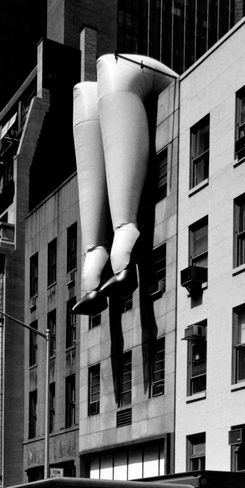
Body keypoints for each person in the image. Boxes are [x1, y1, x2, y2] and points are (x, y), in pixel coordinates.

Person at [72, 53, 178, 315]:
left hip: (136, 76)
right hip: (133, 78)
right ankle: (106, 251)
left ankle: (101, 259)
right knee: (88, 93)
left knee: (110, 73)